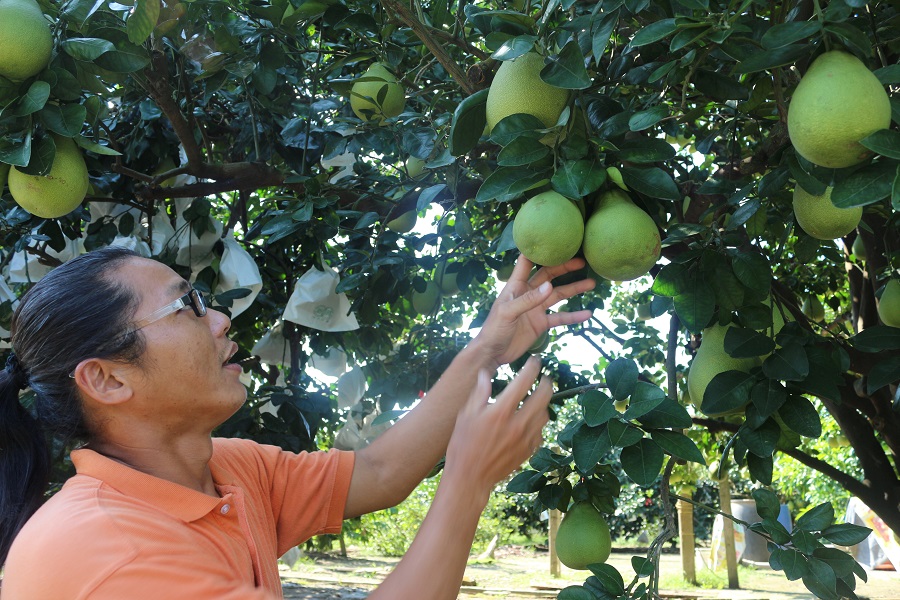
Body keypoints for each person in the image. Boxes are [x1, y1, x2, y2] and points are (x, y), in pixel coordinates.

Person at [0, 246, 594, 599]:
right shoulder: (111, 550)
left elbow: (381, 470)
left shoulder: (226, 469)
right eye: (188, 306)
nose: (221, 320)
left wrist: (489, 346)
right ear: (106, 379)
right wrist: (468, 480)